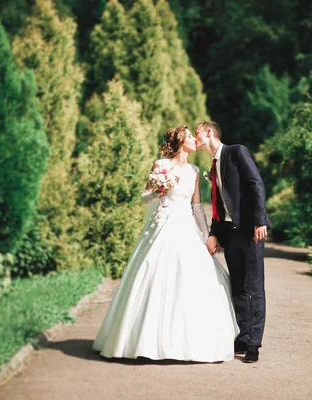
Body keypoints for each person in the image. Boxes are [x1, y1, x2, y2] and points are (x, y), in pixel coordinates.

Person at [92, 125, 239, 362]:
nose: (194, 139)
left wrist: (206, 235)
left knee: (191, 280)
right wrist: (159, 190)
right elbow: (144, 197)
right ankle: (141, 340)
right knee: (152, 273)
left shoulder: (193, 170)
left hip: (185, 228)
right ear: (181, 141)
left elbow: (197, 207)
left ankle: (186, 342)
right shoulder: (161, 166)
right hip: (161, 226)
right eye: (190, 136)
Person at [194, 121, 270, 363]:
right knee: (237, 286)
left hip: (249, 231)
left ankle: (254, 344)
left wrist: (260, 221)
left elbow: (255, 185)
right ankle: (244, 336)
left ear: (208, 132)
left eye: (197, 134)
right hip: (230, 232)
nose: (195, 139)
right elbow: (219, 203)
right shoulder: (214, 164)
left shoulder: (236, 152)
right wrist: (215, 232)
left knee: (253, 287)